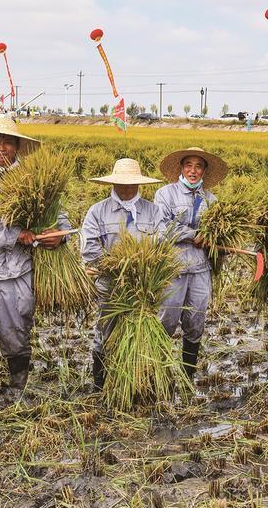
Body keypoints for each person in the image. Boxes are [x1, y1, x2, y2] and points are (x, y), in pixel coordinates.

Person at [0, 116, 69, 412]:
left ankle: (17, 390)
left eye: (8, 141)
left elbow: (60, 213)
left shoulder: (34, 177)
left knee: (17, 331)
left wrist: (60, 237)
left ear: (17, 146)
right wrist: (18, 235)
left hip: (20, 273)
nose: (2, 147)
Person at [81, 158, 166, 390]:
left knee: (141, 334)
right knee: (105, 333)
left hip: (143, 288)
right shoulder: (97, 211)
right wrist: (115, 267)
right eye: (122, 183)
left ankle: (136, 384)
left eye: (132, 183)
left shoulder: (153, 211)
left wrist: (141, 267)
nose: (127, 188)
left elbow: (163, 244)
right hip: (109, 286)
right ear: (113, 183)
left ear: (140, 184)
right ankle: (101, 386)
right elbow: (89, 247)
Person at [155, 147, 229, 378]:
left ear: (205, 171)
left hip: (200, 270)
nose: (193, 170)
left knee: (196, 320)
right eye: (189, 165)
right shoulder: (165, 195)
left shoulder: (211, 200)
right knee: (167, 319)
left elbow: (220, 233)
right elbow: (162, 227)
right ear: (181, 168)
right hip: (172, 268)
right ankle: (160, 372)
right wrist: (192, 235)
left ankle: (188, 374)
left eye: (198, 166)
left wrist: (222, 245)